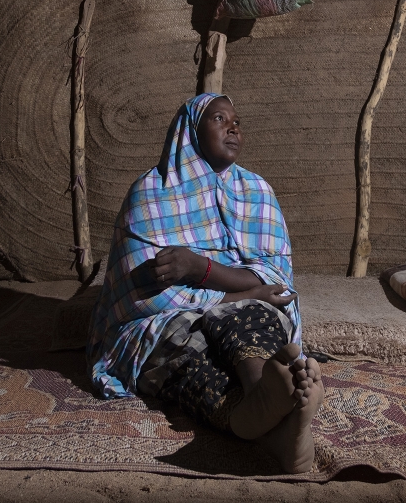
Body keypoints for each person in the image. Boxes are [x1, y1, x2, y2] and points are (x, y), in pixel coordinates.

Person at [86, 93, 323, 473]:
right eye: (218, 119)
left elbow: (276, 280)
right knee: (186, 347)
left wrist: (200, 269)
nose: (233, 127)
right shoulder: (151, 194)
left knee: (252, 315)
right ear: (190, 132)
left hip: (246, 310)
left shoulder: (255, 191)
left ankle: (260, 397)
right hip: (164, 322)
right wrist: (246, 290)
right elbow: (142, 301)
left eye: (237, 121)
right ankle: (274, 423)